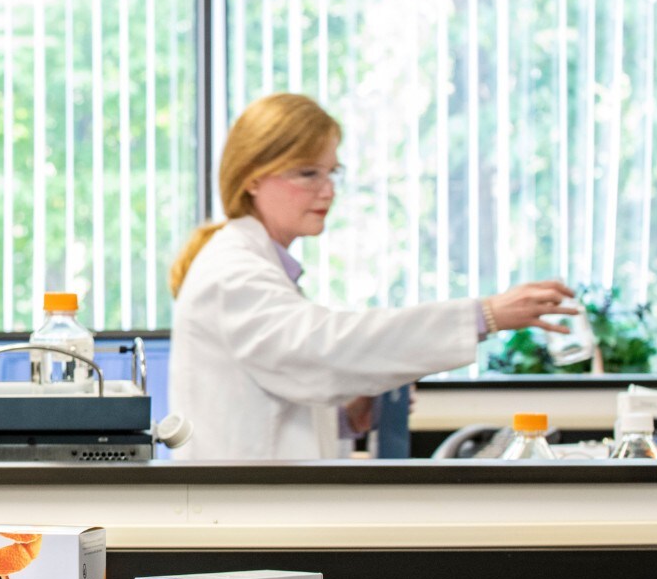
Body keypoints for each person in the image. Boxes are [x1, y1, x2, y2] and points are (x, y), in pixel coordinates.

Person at [169, 93, 577, 460]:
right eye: (308, 173)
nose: (327, 191)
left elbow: (283, 389)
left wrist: (350, 417)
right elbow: (321, 349)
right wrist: (484, 315)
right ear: (253, 177)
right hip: (242, 516)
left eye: (332, 173)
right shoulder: (232, 273)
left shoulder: (260, 268)